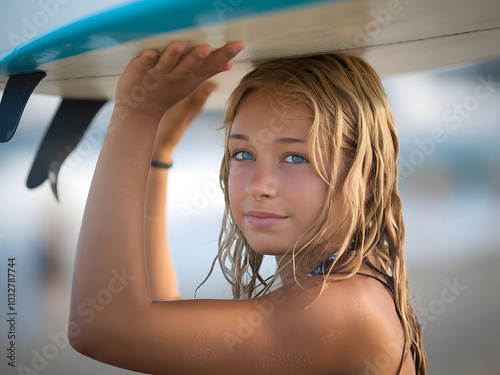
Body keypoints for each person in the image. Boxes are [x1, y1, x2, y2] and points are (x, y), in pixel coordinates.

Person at [68, 41, 427, 375]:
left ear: (364, 174)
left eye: (295, 157)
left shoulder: (342, 308)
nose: (258, 185)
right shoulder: (351, 274)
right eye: (243, 153)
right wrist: (156, 158)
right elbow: (160, 323)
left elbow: (102, 328)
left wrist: (138, 113)